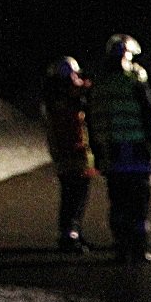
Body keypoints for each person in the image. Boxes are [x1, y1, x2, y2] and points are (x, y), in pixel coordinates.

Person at [87, 34, 151, 263]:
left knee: (119, 202)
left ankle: (121, 248)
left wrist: (98, 153)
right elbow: (149, 117)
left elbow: (92, 122)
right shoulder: (134, 81)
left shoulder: (99, 85)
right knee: (139, 203)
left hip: (111, 152)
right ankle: (140, 249)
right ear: (127, 56)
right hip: (137, 149)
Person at [41, 56, 97, 254]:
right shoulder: (68, 100)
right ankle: (69, 235)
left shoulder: (55, 99)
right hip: (73, 152)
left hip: (68, 153)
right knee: (74, 197)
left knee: (73, 196)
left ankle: (73, 232)